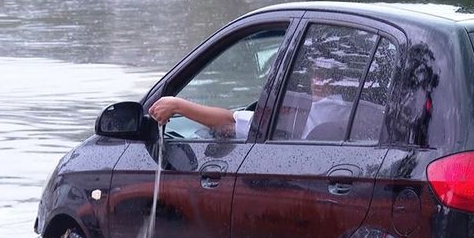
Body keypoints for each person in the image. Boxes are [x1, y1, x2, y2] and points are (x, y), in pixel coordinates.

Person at [148, 63, 351, 140]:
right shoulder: (359, 112)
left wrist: (177, 105)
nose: (316, 82)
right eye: (315, 74)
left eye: (323, 75)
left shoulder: (308, 114)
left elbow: (230, 123)